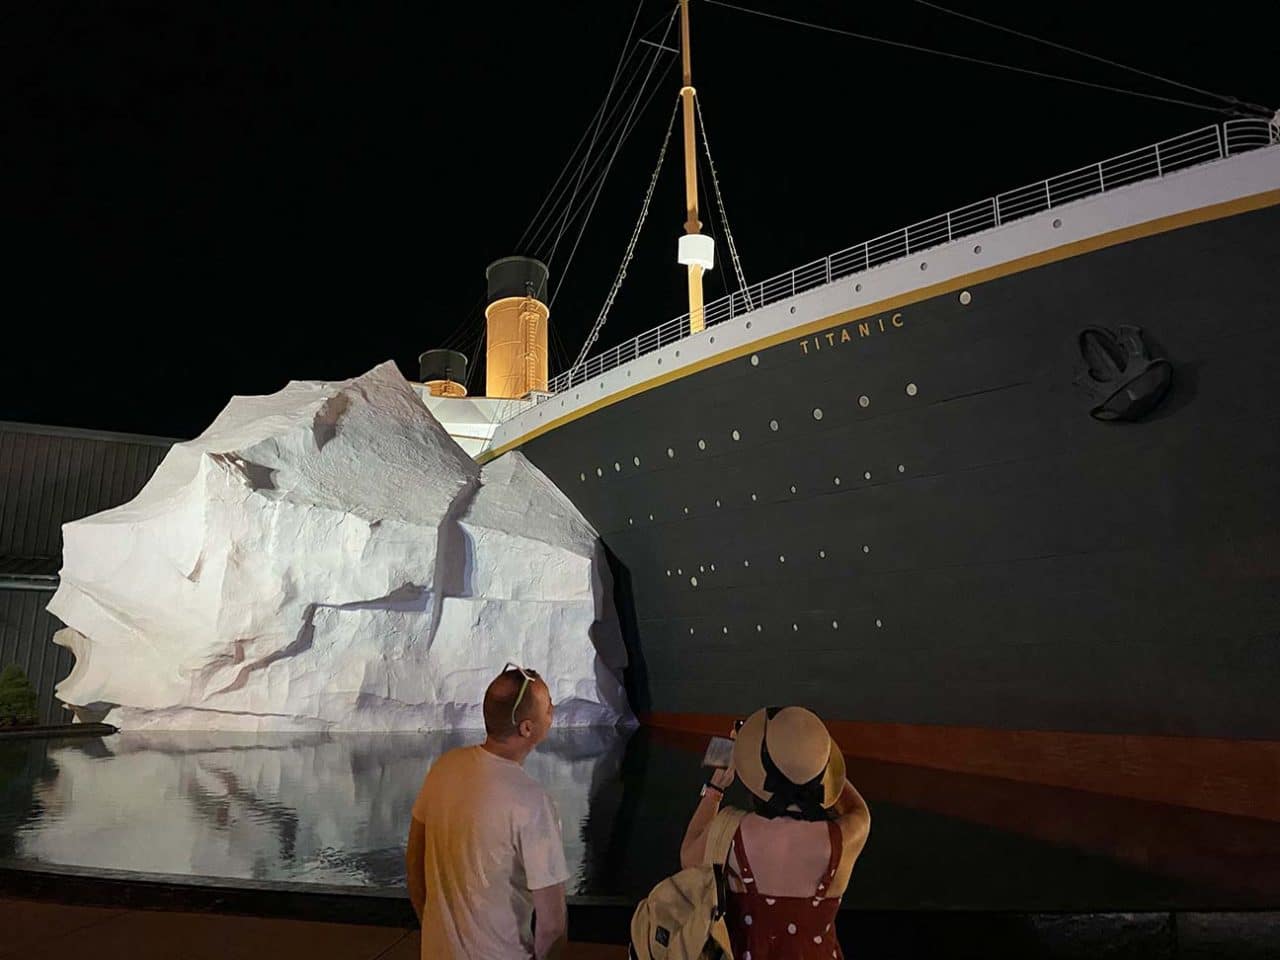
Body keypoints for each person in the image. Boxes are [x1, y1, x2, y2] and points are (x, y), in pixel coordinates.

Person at [679, 706, 871, 959]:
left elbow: (688, 857)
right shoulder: (846, 837)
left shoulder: (731, 830)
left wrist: (715, 789)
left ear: (760, 773)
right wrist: (813, 756)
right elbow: (856, 807)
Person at [406, 664, 569, 959]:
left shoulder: (443, 769)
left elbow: (415, 865)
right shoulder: (532, 802)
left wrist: (434, 933)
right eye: (548, 707)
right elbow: (552, 927)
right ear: (527, 728)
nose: (553, 710)